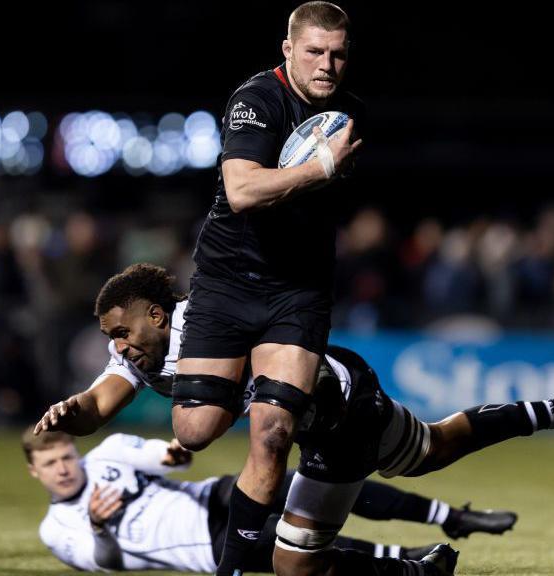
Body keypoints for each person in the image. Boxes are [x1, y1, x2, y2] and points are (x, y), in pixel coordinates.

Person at [36, 263, 554, 576]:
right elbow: (100, 404)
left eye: (122, 331)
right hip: (328, 410)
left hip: (332, 405)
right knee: (434, 448)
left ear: (156, 312)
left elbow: (235, 396)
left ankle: (408, 571)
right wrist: (72, 411)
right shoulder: (137, 356)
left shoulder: (210, 320)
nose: (117, 345)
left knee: (291, 561)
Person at [172, 3, 365, 572]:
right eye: (314, 51)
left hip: (297, 292)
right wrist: (322, 169)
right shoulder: (254, 101)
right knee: (196, 427)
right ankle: (244, 381)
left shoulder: (352, 113)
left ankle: (234, 568)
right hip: (227, 282)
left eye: (337, 54)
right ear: (288, 49)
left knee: (274, 433)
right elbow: (243, 192)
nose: (327, 65)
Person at [24, 429, 516, 573]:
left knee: (315, 483)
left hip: (213, 495)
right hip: (203, 548)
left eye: (67, 455)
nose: (65, 467)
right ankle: (407, 562)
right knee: (300, 547)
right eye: (51, 464)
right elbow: (107, 565)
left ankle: (451, 517)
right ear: (35, 472)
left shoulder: (106, 453)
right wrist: (99, 526)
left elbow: (166, 458)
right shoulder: (56, 530)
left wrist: (174, 453)